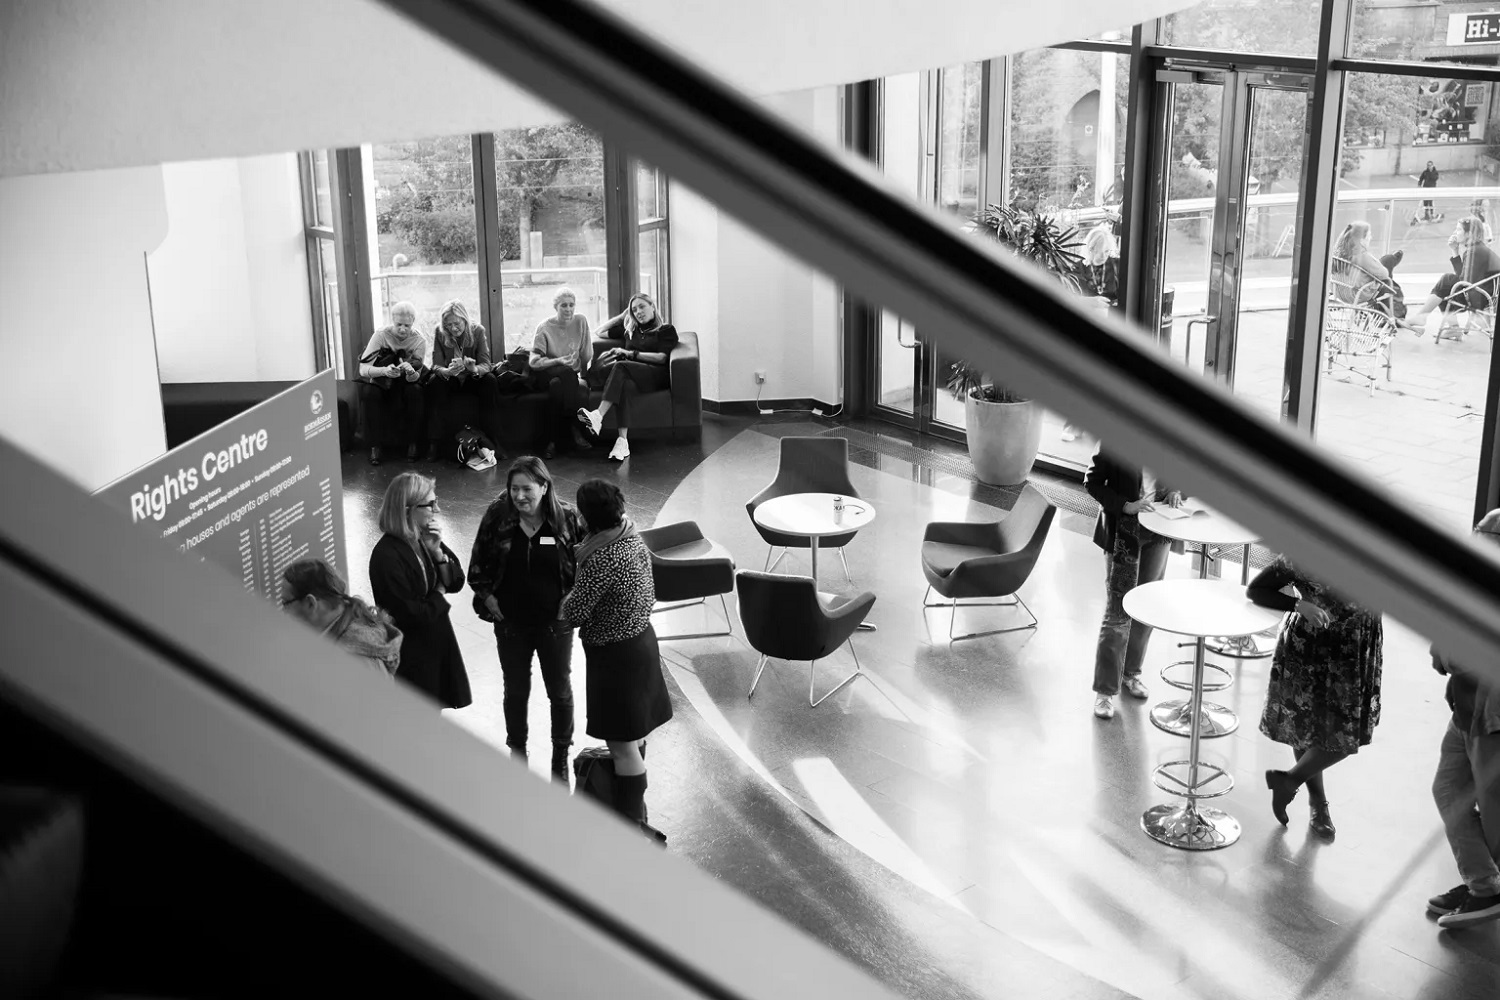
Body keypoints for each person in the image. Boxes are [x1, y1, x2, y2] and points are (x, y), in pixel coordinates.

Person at [561, 479, 673, 832]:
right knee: (635, 738)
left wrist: (564, 600)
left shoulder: (601, 557)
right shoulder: (632, 537)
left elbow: (575, 612)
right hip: (641, 643)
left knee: (621, 747)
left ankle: (630, 827)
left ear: (586, 515)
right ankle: (636, 817)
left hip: (616, 659)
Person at [467, 456, 585, 781]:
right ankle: (517, 752)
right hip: (511, 625)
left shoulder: (567, 519)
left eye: (527, 489)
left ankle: (560, 757)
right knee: (515, 690)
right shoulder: (498, 515)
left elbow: (587, 566)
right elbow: (477, 565)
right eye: (514, 489)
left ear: (544, 487)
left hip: (555, 625)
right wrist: (488, 597)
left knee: (559, 691)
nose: (519, 496)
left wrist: (572, 599)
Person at [1249, 557, 1382, 840]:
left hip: (1357, 646)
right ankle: (1317, 804)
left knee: (1347, 735)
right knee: (1306, 730)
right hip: (1311, 647)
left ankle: (1289, 782)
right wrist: (1299, 605)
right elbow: (1257, 589)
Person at [1426, 510, 1500, 930]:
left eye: (1486, 537)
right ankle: (1482, 882)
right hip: (1466, 715)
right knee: (1449, 790)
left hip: (1492, 723)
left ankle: (1485, 889)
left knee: (1492, 812)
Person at [1086, 447, 1182, 720]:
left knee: (1146, 608)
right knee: (1118, 612)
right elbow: (1091, 483)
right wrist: (1125, 506)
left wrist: (1176, 491)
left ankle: (1131, 674)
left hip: (1159, 530)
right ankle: (1104, 691)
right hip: (1124, 531)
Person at [369, 472, 472, 709]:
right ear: (408, 510)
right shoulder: (386, 556)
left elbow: (456, 581)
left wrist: (437, 554)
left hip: (435, 644)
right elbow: (409, 615)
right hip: (413, 656)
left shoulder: (422, 538)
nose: (437, 509)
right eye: (431, 504)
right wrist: (438, 593)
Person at [576, 292, 677, 462]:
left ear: (652, 306)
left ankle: (598, 415)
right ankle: (622, 441)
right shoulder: (631, 330)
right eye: (634, 310)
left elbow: (662, 358)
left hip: (655, 375)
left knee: (620, 366)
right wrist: (623, 316)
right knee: (623, 384)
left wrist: (630, 354)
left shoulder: (665, 329)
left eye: (642, 306)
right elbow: (600, 331)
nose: (638, 312)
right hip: (633, 375)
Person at [280, 557, 403, 676]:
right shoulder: (343, 618)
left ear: (311, 603)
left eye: (286, 603)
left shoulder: (358, 664)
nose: (283, 611)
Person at [424, 300, 498, 462]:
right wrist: (447, 371)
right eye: (448, 325)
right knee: (435, 382)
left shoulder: (477, 331)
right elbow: (435, 364)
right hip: (451, 379)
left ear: (465, 319)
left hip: (472, 378)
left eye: (456, 323)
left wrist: (474, 369)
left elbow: (486, 363)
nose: (453, 328)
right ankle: (435, 444)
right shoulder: (440, 332)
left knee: (490, 381)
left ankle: (491, 442)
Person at [358, 301, 428, 466]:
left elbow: (416, 377)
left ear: (413, 323)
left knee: (416, 392)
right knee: (369, 393)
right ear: (392, 320)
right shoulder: (380, 335)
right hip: (381, 380)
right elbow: (363, 369)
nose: (403, 329)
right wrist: (384, 371)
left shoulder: (419, 341)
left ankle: (413, 444)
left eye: (407, 325)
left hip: (406, 382)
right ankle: (375, 446)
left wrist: (410, 371)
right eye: (398, 325)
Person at [529, 287, 594, 460]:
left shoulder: (580, 321)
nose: (568, 309)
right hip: (545, 372)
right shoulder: (544, 327)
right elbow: (533, 362)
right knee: (566, 373)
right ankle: (574, 429)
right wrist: (557, 361)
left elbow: (586, 354)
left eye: (571, 305)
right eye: (563, 305)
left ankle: (552, 441)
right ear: (555, 307)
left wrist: (585, 377)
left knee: (559, 385)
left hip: (565, 378)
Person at [1406, 216, 1500, 332]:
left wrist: (1455, 252)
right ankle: (1449, 328)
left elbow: (1464, 281)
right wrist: (1455, 250)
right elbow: (1465, 278)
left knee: (1446, 282)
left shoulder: (1474, 252)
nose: (1455, 233)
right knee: (1446, 285)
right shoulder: (1478, 249)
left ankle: (1427, 318)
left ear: (1469, 234)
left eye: (1459, 230)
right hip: (1486, 295)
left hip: (1480, 298)